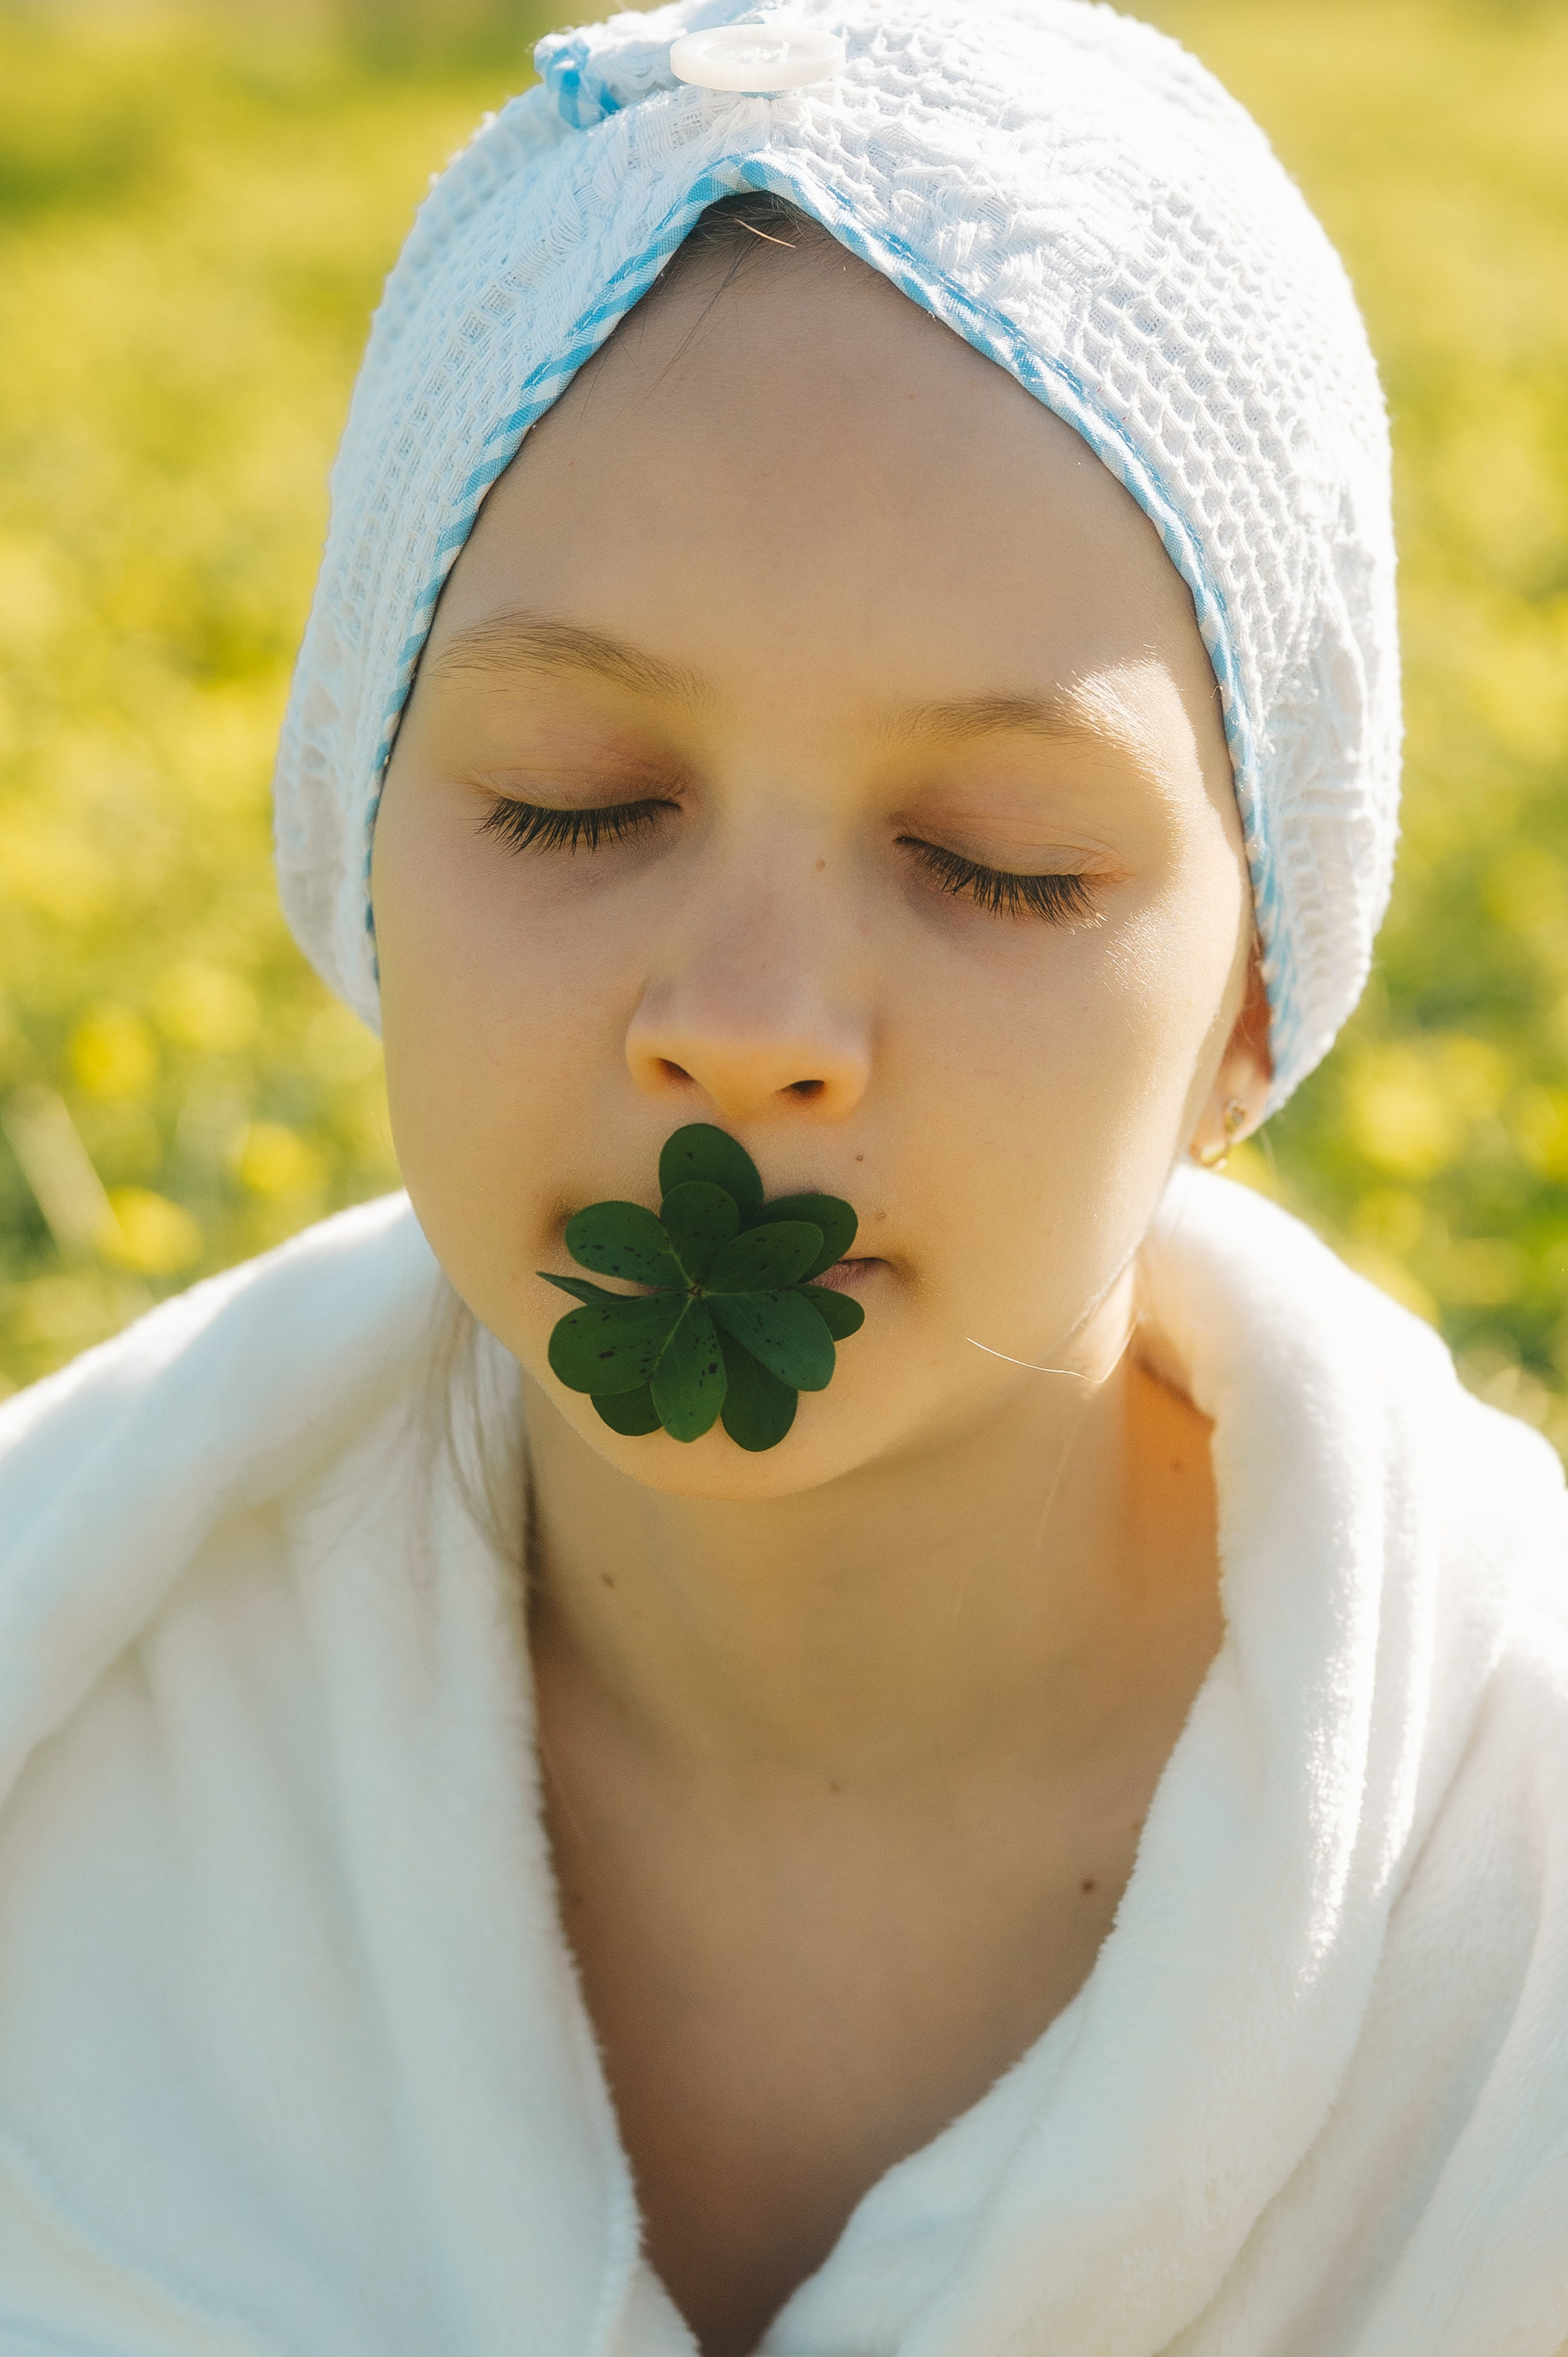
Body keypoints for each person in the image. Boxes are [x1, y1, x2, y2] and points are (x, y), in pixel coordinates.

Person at [1, 2, 1566, 2352]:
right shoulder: (81, 1686)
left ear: (1258, 1000)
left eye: (997, 864)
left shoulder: (1511, 1859)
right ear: (355, 840)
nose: (749, 1023)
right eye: (576, 804)